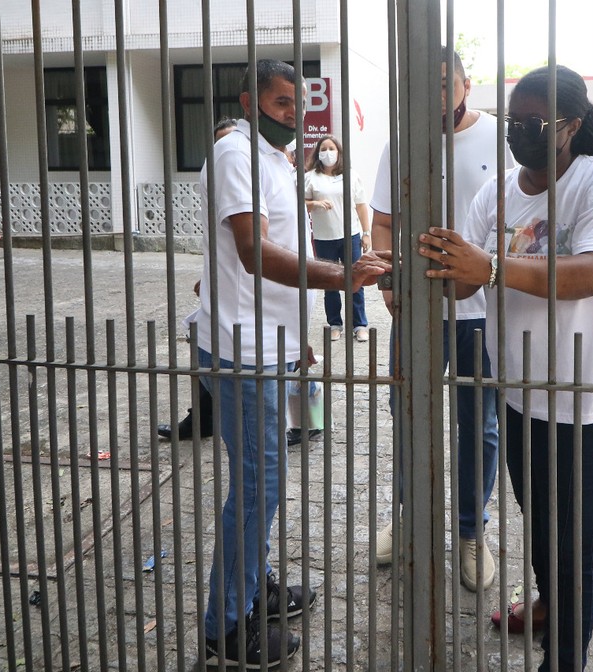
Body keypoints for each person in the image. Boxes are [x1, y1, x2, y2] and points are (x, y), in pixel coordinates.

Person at [417, 64, 593, 671]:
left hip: (585, 396)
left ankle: (564, 656)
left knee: (576, 543)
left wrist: (489, 267)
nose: (520, 131)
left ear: (571, 125)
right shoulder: (496, 194)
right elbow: (461, 279)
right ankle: (550, 605)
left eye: (534, 122)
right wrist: (416, 270)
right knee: (540, 521)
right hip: (518, 393)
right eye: (514, 120)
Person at [197, 59, 388, 669]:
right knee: (259, 486)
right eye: (281, 103)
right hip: (240, 349)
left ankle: (258, 585)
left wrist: (297, 334)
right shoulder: (237, 155)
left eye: (298, 104)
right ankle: (227, 625)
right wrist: (342, 275)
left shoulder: (277, 160)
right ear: (250, 102)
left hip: (267, 341)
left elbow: (283, 247)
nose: (293, 114)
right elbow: (253, 252)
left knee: (262, 480)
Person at [369, 47, 508, 592]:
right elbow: (382, 223)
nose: (435, 94)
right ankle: (407, 520)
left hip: (481, 312)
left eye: (445, 82)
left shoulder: (498, 139)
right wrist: (387, 281)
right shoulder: (400, 144)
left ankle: (471, 532)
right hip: (417, 309)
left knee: (481, 426)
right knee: (409, 415)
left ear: (466, 84)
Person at [158, 117, 238, 442]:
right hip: (225, 292)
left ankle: (306, 420)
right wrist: (208, 280)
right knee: (208, 349)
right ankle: (202, 419)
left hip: (263, 300)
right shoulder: (216, 186)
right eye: (220, 145)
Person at [304, 134, 372, 343]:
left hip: (349, 235)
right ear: (317, 153)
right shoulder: (310, 177)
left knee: (355, 281)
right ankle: (335, 324)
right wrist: (315, 204)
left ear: (339, 152)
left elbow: (361, 205)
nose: (328, 153)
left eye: (331, 148)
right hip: (324, 238)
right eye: (323, 149)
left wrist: (366, 233)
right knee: (330, 283)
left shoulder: (351, 176)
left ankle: (359, 325)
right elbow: (299, 202)